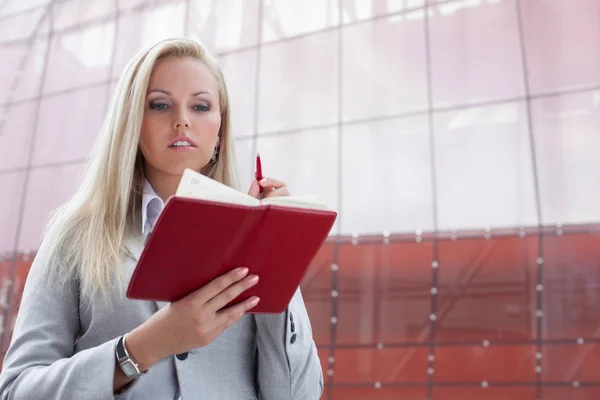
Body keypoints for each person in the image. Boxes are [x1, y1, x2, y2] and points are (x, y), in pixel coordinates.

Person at [0, 38, 323, 399]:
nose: (182, 120)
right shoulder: (77, 234)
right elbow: (18, 390)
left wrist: (278, 256)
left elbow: (298, 394)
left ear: (219, 129)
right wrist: (141, 348)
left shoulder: (255, 236)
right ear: (132, 123)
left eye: (200, 106)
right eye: (160, 105)